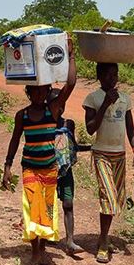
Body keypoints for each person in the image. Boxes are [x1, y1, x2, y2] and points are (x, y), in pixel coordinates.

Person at [3, 38, 76, 265]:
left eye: (42, 90)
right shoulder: (21, 115)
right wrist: (7, 167)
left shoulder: (52, 110)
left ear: (46, 91)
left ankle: (42, 248)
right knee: (32, 208)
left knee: (46, 210)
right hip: (31, 169)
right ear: (28, 91)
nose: (38, 93)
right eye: (34, 90)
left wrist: (71, 56)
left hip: (50, 169)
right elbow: (15, 140)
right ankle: (35, 254)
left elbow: (70, 85)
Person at [82, 63, 134, 264]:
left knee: (115, 199)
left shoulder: (125, 99)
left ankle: (102, 236)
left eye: (115, 74)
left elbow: (130, 128)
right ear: (99, 76)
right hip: (101, 154)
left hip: (119, 155)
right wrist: (106, 104)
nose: (113, 78)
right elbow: (90, 129)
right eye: (108, 74)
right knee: (107, 196)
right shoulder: (93, 99)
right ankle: (104, 242)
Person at [48, 88, 91, 256]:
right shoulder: (45, 125)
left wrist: (91, 148)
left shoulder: (68, 124)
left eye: (62, 104)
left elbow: (74, 147)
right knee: (47, 206)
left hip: (66, 172)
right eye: (55, 104)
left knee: (68, 204)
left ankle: (70, 240)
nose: (59, 108)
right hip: (48, 171)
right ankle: (45, 237)